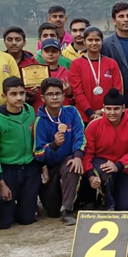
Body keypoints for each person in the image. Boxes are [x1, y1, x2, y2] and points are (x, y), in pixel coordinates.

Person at [0, 76, 38, 228]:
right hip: (7, 170)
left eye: (22, 93)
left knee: (26, 220)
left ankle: (25, 206)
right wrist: (0, 181)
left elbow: (36, 141)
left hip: (29, 167)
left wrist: (43, 167)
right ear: (4, 96)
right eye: (13, 94)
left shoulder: (30, 112)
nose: (19, 97)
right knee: (3, 224)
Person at [33, 77, 84, 225]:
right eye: (50, 94)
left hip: (67, 159)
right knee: (52, 212)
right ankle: (58, 204)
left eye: (58, 93)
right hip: (49, 166)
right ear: (43, 97)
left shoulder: (71, 112)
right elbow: (38, 153)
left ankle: (67, 209)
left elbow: (80, 136)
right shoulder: (40, 121)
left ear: (63, 95)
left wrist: (78, 156)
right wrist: (54, 145)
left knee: (72, 166)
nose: (55, 97)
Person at [83, 88, 128, 211]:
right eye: (108, 109)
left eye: (116, 109)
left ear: (123, 108)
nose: (112, 113)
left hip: (123, 168)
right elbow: (87, 154)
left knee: (123, 207)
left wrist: (118, 165)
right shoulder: (93, 125)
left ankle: (108, 197)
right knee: (106, 172)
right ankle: (105, 201)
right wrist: (90, 176)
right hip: (101, 164)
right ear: (103, 108)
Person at [69, 27, 123, 123]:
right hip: (85, 116)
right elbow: (77, 92)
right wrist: (90, 113)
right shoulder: (76, 64)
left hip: (108, 115)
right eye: (90, 40)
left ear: (102, 42)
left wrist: (103, 111)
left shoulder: (111, 63)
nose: (94, 43)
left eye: (97, 40)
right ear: (84, 42)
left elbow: (117, 90)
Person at [101, 2, 128, 102]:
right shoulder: (106, 44)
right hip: (118, 96)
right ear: (114, 21)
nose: (126, 19)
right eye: (121, 16)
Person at [31, 39, 73, 112]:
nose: (50, 54)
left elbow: (75, 99)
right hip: (40, 112)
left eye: (54, 51)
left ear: (60, 53)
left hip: (63, 113)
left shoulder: (68, 73)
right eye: (47, 51)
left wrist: (69, 93)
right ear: (41, 53)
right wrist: (30, 94)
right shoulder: (35, 73)